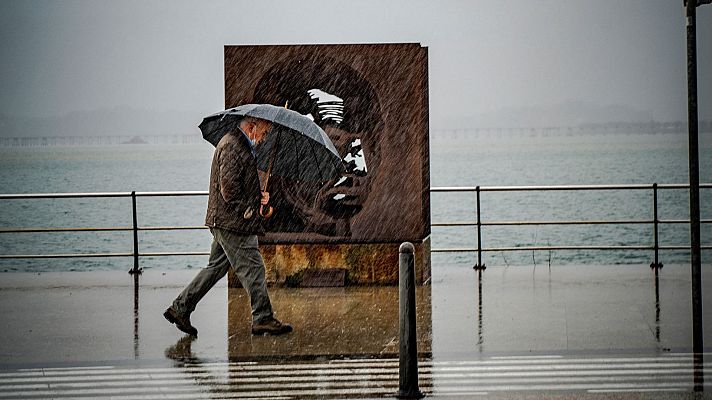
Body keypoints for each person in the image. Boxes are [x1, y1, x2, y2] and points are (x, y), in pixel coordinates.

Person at [164, 116, 292, 337]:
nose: (263, 138)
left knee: (216, 267)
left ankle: (180, 308)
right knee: (254, 268)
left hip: (224, 221)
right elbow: (229, 190)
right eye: (263, 133)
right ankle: (263, 318)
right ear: (252, 127)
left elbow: (237, 185)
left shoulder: (237, 144)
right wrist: (249, 209)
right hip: (233, 224)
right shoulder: (232, 146)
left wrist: (259, 197)